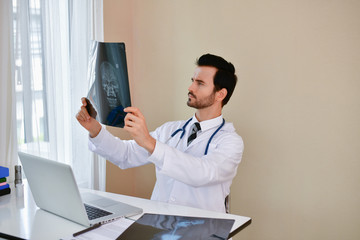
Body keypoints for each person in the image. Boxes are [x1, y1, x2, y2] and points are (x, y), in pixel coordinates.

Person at [76, 54, 244, 213]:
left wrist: (149, 142)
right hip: (161, 225)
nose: (190, 87)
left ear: (220, 94)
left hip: (203, 231)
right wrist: (94, 129)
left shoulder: (230, 142)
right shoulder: (171, 130)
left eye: (200, 83)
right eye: (192, 80)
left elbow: (201, 174)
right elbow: (125, 155)